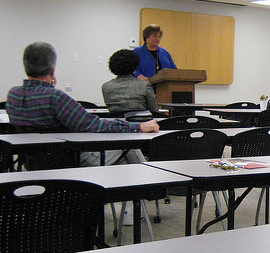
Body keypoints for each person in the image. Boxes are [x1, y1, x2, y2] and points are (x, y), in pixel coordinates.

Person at [6, 42, 159, 168]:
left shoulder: (13, 95)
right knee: (130, 145)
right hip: (73, 160)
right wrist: (137, 127)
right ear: (53, 69)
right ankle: (150, 188)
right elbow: (93, 124)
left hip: (34, 164)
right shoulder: (55, 98)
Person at [102, 49, 160, 114]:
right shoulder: (144, 85)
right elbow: (155, 111)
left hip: (117, 123)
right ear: (135, 66)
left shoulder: (106, 87)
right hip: (141, 123)